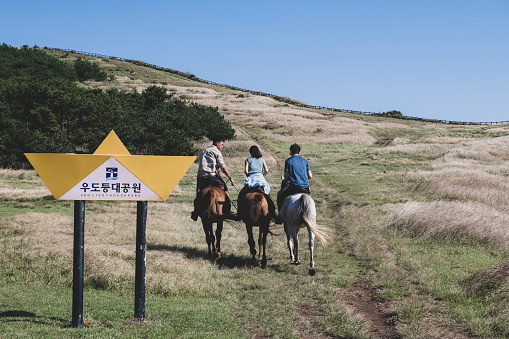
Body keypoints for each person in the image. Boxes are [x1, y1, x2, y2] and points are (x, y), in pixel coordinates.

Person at [191, 137, 237, 221]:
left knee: (199, 194)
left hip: (201, 177)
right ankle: (227, 210)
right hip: (212, 176)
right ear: (217, 143)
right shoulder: (217, 152)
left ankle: (195, 212)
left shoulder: (204, 151)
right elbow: (223, 166)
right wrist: (230, 177)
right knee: (225, 190)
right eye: (222, 145)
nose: (222, 147)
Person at [238, 145, 278, 221]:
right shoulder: (262, 159)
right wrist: (262, 176)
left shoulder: (247, 160)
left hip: (251, 179)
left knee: (241, 195)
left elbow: (246, 171)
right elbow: (266, 170)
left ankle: (239, 213)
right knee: (268, 196)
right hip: (260, 179)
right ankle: (273, 212)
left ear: (250, 152)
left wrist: (249, 176)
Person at [276, 143, 312, 221]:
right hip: (305, 187)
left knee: (280, 194)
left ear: (290, 152)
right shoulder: (305, 161)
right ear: (299, 152)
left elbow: (286, 177)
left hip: (293, 186)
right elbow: (310, 176)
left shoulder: (288, 161)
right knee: (309, 198)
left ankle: (279, 217)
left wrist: (287, 180)